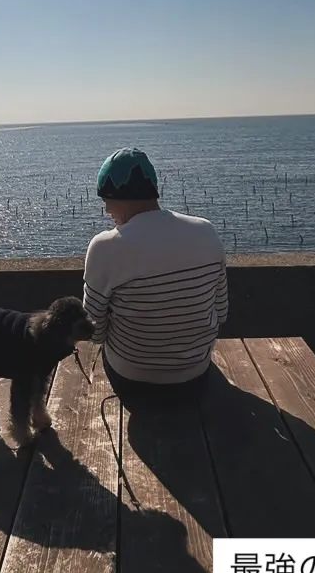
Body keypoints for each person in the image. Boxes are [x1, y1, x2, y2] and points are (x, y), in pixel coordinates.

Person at [83, 148, 229, 406]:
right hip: (196, 373)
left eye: (105, 199)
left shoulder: (105, 247)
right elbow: (221, 311)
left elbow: (94, 329)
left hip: (132, 379)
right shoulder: (206, 231)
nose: (106, 209)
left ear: (115, 196)